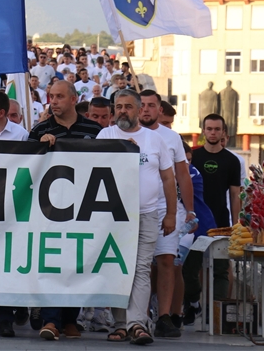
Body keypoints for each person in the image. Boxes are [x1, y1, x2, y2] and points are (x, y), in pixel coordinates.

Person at [98, 90, 176, 345]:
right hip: (113, 217)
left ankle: (137, 324)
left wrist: (172, 214)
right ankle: (120, 324)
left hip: (147, 214)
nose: (122, 110)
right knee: (117, 267)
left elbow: (168, 178)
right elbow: (91, 168)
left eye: (128, 106)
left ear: (140, 109)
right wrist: (119, 151)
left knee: (141, 268)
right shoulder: (106, 136)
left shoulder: (154, 140)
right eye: (118, 106)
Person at [29, 79, 102, 341]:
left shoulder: (94, 130)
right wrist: (40, 147)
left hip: (85, 207)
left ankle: (71, 319)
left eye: (59, 96)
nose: (54, 101)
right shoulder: (40, 129)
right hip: (50, 208)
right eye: (51, 96)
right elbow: (26, 166)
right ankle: (51, 320)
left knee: (77, 262)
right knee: (53, 261)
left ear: (73, 99)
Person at [138, 90, 196, 337]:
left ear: (159, 109)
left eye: (152, 105)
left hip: (166, 209)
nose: (146, 109)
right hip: (135, 207)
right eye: (142, 105)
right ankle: (137, 316)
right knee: (138, 265)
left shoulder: (171, 138)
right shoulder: (124, 134)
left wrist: (189, 211)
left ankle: (164, 316)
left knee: (166, 261)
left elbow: (182, 174)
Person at [190, 114, 241, 303]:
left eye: (217, 129)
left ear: (223, 132)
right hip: (194, 223)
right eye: (209, 129)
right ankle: (193, 305)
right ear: (203, 131)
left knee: (221, 271)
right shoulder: (193, 157)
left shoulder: (232, 161)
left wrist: (236, 226)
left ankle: (217, 312)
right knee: (189, 270)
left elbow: (235, 195)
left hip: (220, 223)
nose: (213, 132)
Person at [181, 140, 217, 326]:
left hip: (198, 229)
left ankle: (193, 303)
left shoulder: (192, 173)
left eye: (189, 159)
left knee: (189, 272)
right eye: (184, 159)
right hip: (179, 228)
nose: (187, 163)